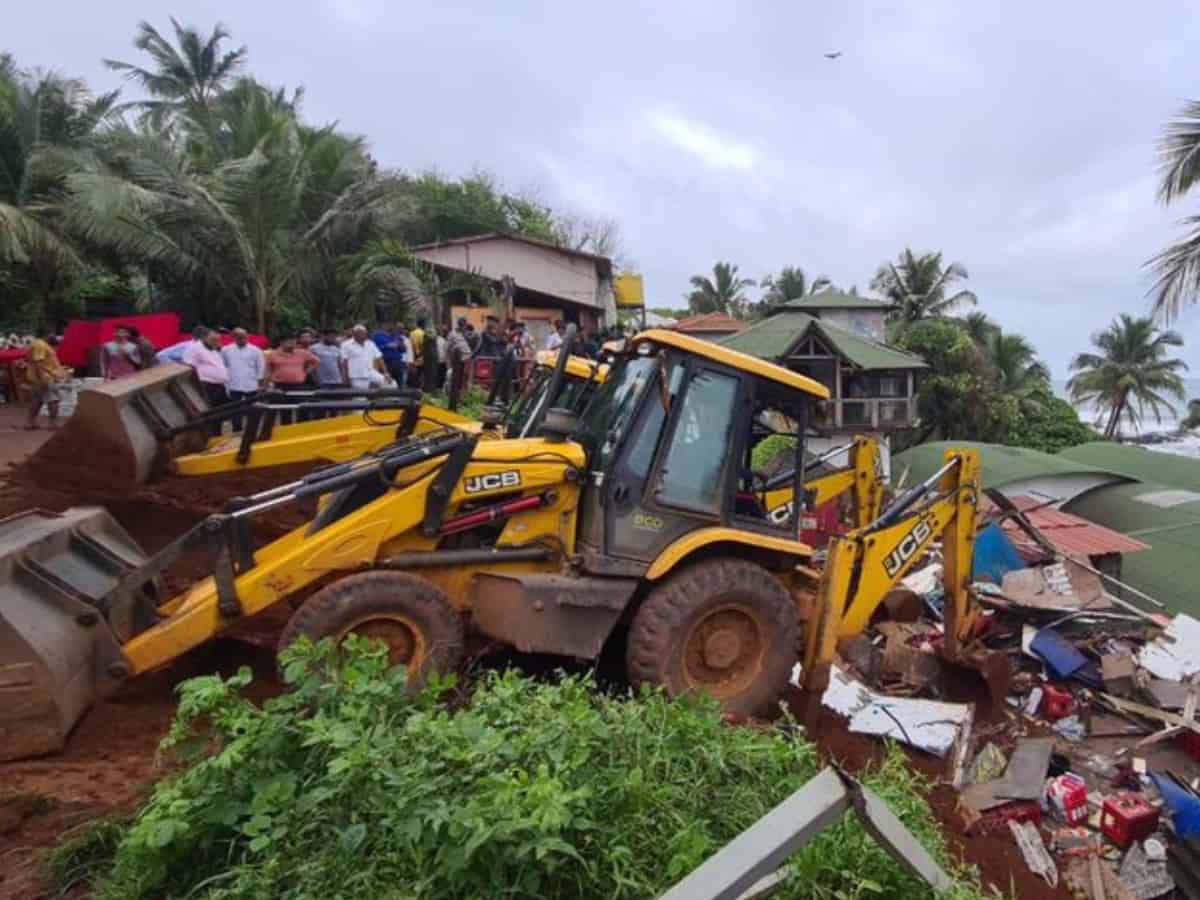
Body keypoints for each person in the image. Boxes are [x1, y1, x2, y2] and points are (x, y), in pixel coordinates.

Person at [264, 335, 319, 425]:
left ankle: (301, 429)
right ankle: (286, 429)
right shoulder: (273, 354)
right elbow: (268, 370)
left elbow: (316, 361)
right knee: (285, 410)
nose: (292, 343)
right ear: (282, 343)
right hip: (280, 386)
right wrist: (266, 384)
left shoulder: (302, 353)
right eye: (289, 341)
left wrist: (306, 372)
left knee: (302, 408)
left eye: (293, 341)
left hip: (298, 386)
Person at [183, 330, 229, 435]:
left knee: (219, 413)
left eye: (217, 341)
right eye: (213, 340)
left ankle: (217, 434)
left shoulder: (213, 349)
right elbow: (189, 367)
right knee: (210, 412)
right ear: (204, 338)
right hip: (207, 386)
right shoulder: (195, 349)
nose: (216, 343)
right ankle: (211, 435)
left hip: (219, 386)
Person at [220, 328, 266, 432]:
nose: (242, 339)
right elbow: (224, 365)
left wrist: (260, 383)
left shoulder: (255, 350)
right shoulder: (226, 350)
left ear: (247, 336)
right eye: (239, 337)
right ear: (234, 338)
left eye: (244, 336)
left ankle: (252, 429)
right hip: (233, 384)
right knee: (235, 409)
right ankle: (237, 430)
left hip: (251, 384)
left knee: (252, 409)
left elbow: (260, 367)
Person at [24, 326, 67, 430]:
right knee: (54, 400)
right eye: (52, 333)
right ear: (48, 333)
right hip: (46, 377)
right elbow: (38, 361)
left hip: (39, 377)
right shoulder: (40, 345)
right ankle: (52, 423)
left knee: (37, 401)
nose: (53, 335)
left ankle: (30, 422)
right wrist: (43, 377)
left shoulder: (36, 343)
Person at [341, 324, 385, 390]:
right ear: (354, 334)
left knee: (390, 384)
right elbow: (344, 362)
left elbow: (379, 358)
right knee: (361, 398)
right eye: (359, 333)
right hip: (356, 376)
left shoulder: (370, 344)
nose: (361, 334)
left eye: (363, 333)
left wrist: (386, 372)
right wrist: (345, 377)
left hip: (370, 373)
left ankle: (386, 399)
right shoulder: (346, 345)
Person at [446, 318, 472, 411]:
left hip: (467, 358)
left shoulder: (464, 334)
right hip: (459, 360)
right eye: (464, 325)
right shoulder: (452, 334)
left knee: (466, 379)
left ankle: (464, 399)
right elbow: (448, 348)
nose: (465, 327)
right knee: (458, 380)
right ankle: (457, 399)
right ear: (460, 325)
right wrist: (449, 362)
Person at [410, 318, 426, 389]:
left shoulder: (412, 333)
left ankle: (415, 388)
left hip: (413, 356)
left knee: (415, 374)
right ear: (423, 325)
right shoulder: (422, 333)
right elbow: (423, 346)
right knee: (422, 374)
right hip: (420, 356)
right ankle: (421, 389)